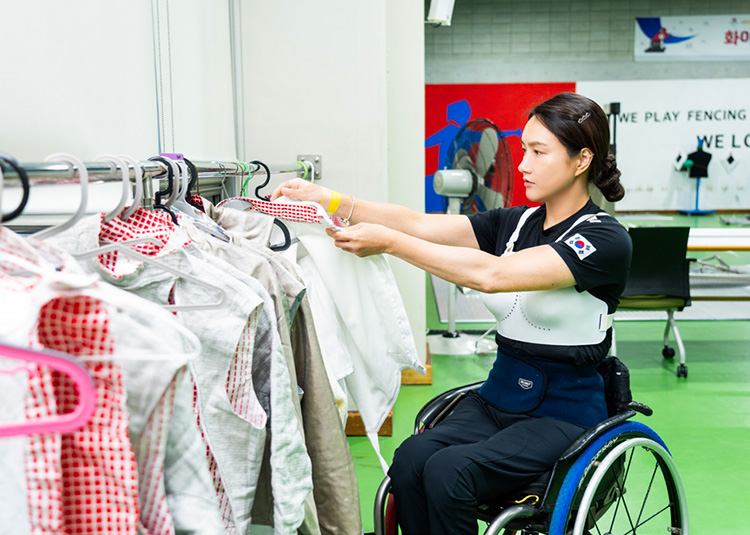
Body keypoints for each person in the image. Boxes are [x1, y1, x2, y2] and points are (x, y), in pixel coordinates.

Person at [271, 92, 631, 535]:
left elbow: (494, 275)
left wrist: (388, 244)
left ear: (581, 160)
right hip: (499, 397)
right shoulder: (515, 223)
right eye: (524, 151)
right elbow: (420, 224)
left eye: (540, 153)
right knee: (409, 461)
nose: (523, 165)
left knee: (449, 471)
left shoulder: (604, 239)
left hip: (564, 412)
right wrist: (327, 198)